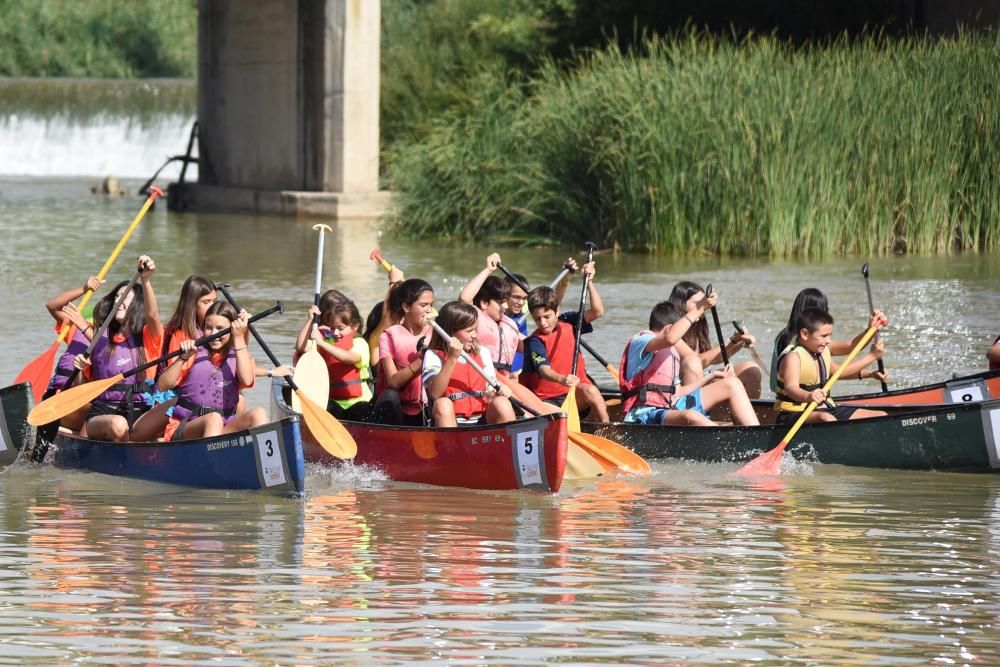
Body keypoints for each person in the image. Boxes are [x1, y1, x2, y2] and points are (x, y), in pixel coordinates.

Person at [620, 300, 760, 426]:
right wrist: (700, 307)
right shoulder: (641, 341)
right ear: (669, 329)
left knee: (732, 384)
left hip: (671, 406)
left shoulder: (671, 353)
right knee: (692, 416)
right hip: (644, 414)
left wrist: (711, 377)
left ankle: (755, 438)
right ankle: (728, 442)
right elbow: (670, 339)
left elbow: (678, 392)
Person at [73, 255, 164, 442]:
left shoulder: (149, 338)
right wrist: (79, 370)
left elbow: (153, 315)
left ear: (138, 305)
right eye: (116, 297)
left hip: (140, 410)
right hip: (103, 411)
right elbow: (81, 390)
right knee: (118, 424)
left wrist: (145, 280)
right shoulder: (100, 339)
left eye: (126, 298)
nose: (119, 301)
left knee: (172, 412)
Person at [157, 302, 268, 440]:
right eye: (208, 328)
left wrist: (239, 338)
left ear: (232, 329)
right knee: (213, 419)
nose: (214, 334)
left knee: (259, 413)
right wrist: (182, 358)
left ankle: (269, 461)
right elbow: (162, 386)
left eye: (220, 328)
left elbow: (246, 380)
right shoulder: (194, 351)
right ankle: (211, 461)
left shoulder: (239, 353)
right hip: (187, 427)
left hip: (222, 428)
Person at [520, 261, 609, 421]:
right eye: (537, 319)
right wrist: (563, 379)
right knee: (557, 416)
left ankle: (608, 430)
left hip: (575, 394)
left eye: (547, 317)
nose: (543, 323)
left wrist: (588, 282)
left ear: (557, 311)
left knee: (592, 391)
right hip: (547, 401)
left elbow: (597, 311)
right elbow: (544, 371)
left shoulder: (569, 322)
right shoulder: (535, 341)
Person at [774, 308, 887, 425]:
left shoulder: (821, 350)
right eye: (824, 336)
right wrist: (808, 396)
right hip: (793, 414)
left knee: (880, 416)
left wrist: (871, 330)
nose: (828, 340)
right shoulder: (793, 357)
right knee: (826, 419)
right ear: (804, 334)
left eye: (830, 335)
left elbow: (850, 349)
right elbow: (791, 388)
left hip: (824, 408)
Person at [770, 287, 888, 392]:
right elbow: (836, 372)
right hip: (800, 404)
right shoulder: (797, 344)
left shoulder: (796, 336)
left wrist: (871, 330)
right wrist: (872, 356)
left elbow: (851, 346)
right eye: (824, 310)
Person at [422, 301, 515, 426]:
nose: (475, 335)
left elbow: (489, 394)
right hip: (450, 422)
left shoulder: (483, 353)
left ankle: (509, 442)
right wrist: (451, 358)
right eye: (469, 331)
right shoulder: (433, 355)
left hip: (481, 419)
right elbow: (435, 393)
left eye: (475, 329)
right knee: (443, 404)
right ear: (450, 333)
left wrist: (500, 392)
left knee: (502, 403)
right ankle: (451, 444)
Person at [668, 281, 762, 399]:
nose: (704, 307)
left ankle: (751, 413)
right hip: (680, 392)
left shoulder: (698, 327)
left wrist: (739, 342)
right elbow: (698, 361)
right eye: (698, 303)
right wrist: (732, 341)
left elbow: (712, 358)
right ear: (681, 304)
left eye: (704, 302)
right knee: (692, 363)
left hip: (700, 382)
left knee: (751, 370)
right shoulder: (671, 331)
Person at [294, 293, 372, 422]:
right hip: (332, 401)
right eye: (332, 328)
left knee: (362, 410)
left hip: (357, 401)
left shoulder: (359, 343)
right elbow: (301, 347)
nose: (335, 333)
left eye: (340, 328)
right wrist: (310, 321)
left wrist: (322, 343)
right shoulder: (326, 340)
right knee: (326, 408)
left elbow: (348, 358)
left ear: (355, 326)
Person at [41, 275, 103, 430]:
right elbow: (52, 306)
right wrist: (84, 288)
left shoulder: (112, 343)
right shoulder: (75, 328)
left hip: (81, 402)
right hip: (58, 393)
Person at [371, 278, 434, 425]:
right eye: (424, 305)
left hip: (426, 408)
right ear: (406, 307)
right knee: (390, 396)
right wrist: (421, 360)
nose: (429, 310)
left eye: (431, 305)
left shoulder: (436, 333)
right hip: (397, 411)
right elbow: (393, 381)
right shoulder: (388, 336)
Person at [459, 253, 520, 377]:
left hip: (504, 380)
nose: (506, 307)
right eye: (501, 303)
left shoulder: (509, 324)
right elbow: (464, 299)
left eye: (506, 302)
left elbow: (534, 343)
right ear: (484, 303)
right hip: (479, 376)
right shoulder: (474, 317)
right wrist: (488, 270)